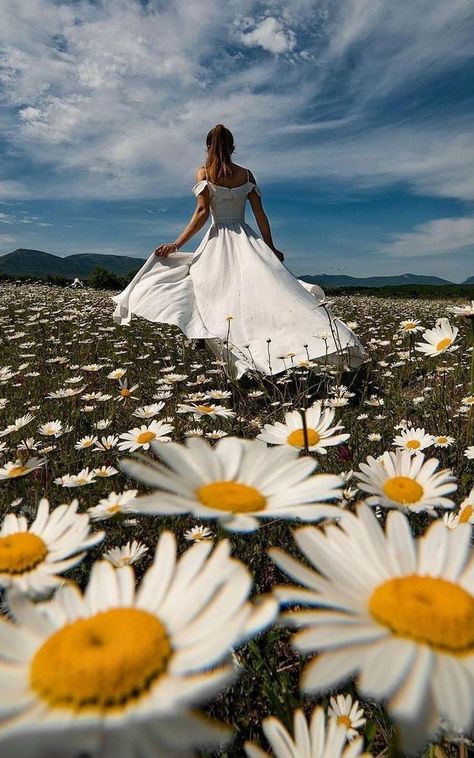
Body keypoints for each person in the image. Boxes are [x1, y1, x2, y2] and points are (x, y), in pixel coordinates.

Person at [112, 124, 367, 379]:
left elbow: (202, 212)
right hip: (247, 240)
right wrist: (270, 247)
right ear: (233, 147)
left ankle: (226, 346)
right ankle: (283, 346)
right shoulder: (246, 175)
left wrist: (176, 245)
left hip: (218, 241)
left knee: (209, 292)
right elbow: (260, 215)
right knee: (264, 294)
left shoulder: (204, 172)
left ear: (207, 147)